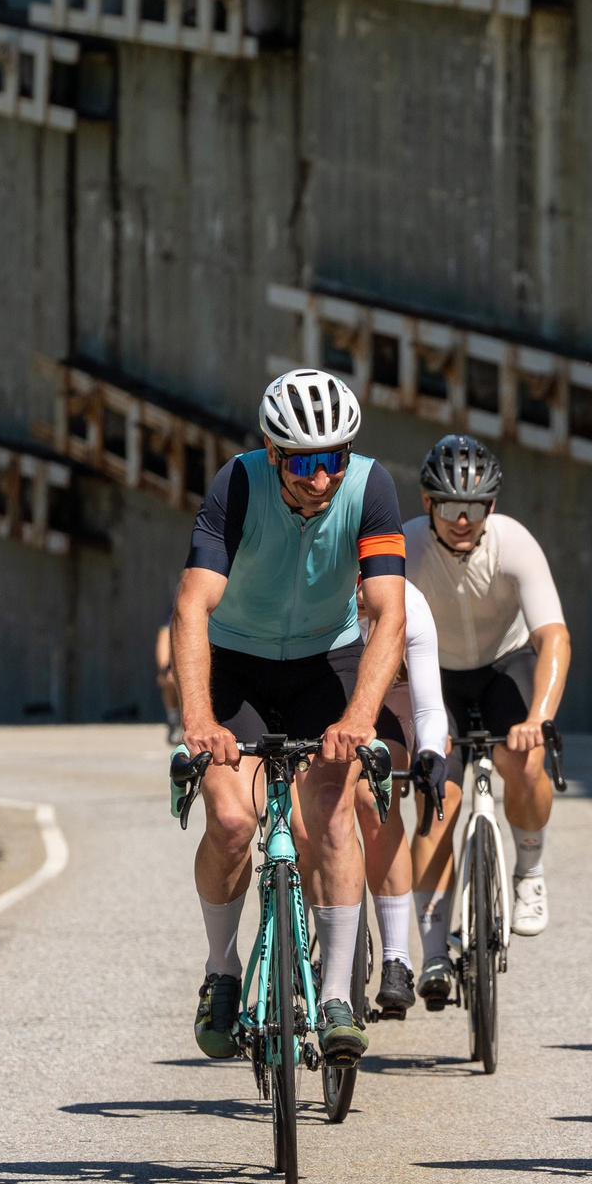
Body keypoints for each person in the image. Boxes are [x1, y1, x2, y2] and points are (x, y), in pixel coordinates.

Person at [171, 368, 408, 1068]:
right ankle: (222, 968)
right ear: (273, 453)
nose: (322, 478)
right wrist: (198, 718)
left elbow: (389, 613)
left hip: (325, 663)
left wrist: (360, 716)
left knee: (326, 821)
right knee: (232, 820)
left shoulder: (370, 487)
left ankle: (336, 997)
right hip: (237, 663)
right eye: (304, 463)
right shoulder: (237, 485)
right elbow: (192, 605)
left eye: (333, 458)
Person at [401, 435, 570, 1008]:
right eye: (450, 506)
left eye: (475, 507)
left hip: (504, 665)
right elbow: (376, 630)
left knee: (525, 762)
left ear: (491, 506)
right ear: (429, 503)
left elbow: (554, 638)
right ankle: (432, 953)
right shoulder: (406, 547)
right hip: (437, 675)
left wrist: (539, 719)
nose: (462, 520)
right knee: (436, 802)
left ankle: (529, 871)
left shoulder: (514, 542)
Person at [354, 578, 451, 1019]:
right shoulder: (310, 591)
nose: (358, 591)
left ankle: (397, 957)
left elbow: (429, 706)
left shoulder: (408, 599)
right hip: (328, 699)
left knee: (374, 796)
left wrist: (429, 752)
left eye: (365, 577)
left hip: (392, 701)